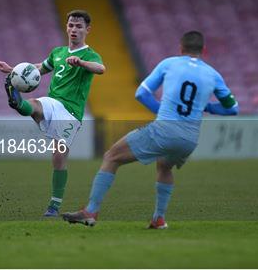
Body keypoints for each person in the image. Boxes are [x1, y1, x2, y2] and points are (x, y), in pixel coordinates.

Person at [62, 30, 238, 228]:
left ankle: (90, 211)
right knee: (164, 166)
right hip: (189, 139)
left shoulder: (169, 63)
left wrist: (161, 110)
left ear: (180, 48)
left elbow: (142, 94)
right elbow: (232, 109)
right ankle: (159, 218)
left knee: (111, 157)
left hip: (165, 129)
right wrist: (208, 107)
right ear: (203, 50)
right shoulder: (213, 75)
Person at [0, 10, 105, 217]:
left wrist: (81, 63)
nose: (73, 29)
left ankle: (54, 205)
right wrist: (12, 70)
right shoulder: (58, 52)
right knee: (34, 104)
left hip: (71, 112)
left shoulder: (89, 55)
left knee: (59, 156)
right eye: (71, 25)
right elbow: (37, 70)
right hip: (53, 102)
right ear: (67, 27)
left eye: (79, 26)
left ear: (87, 30)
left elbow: (101, 69)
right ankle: (16, 102)